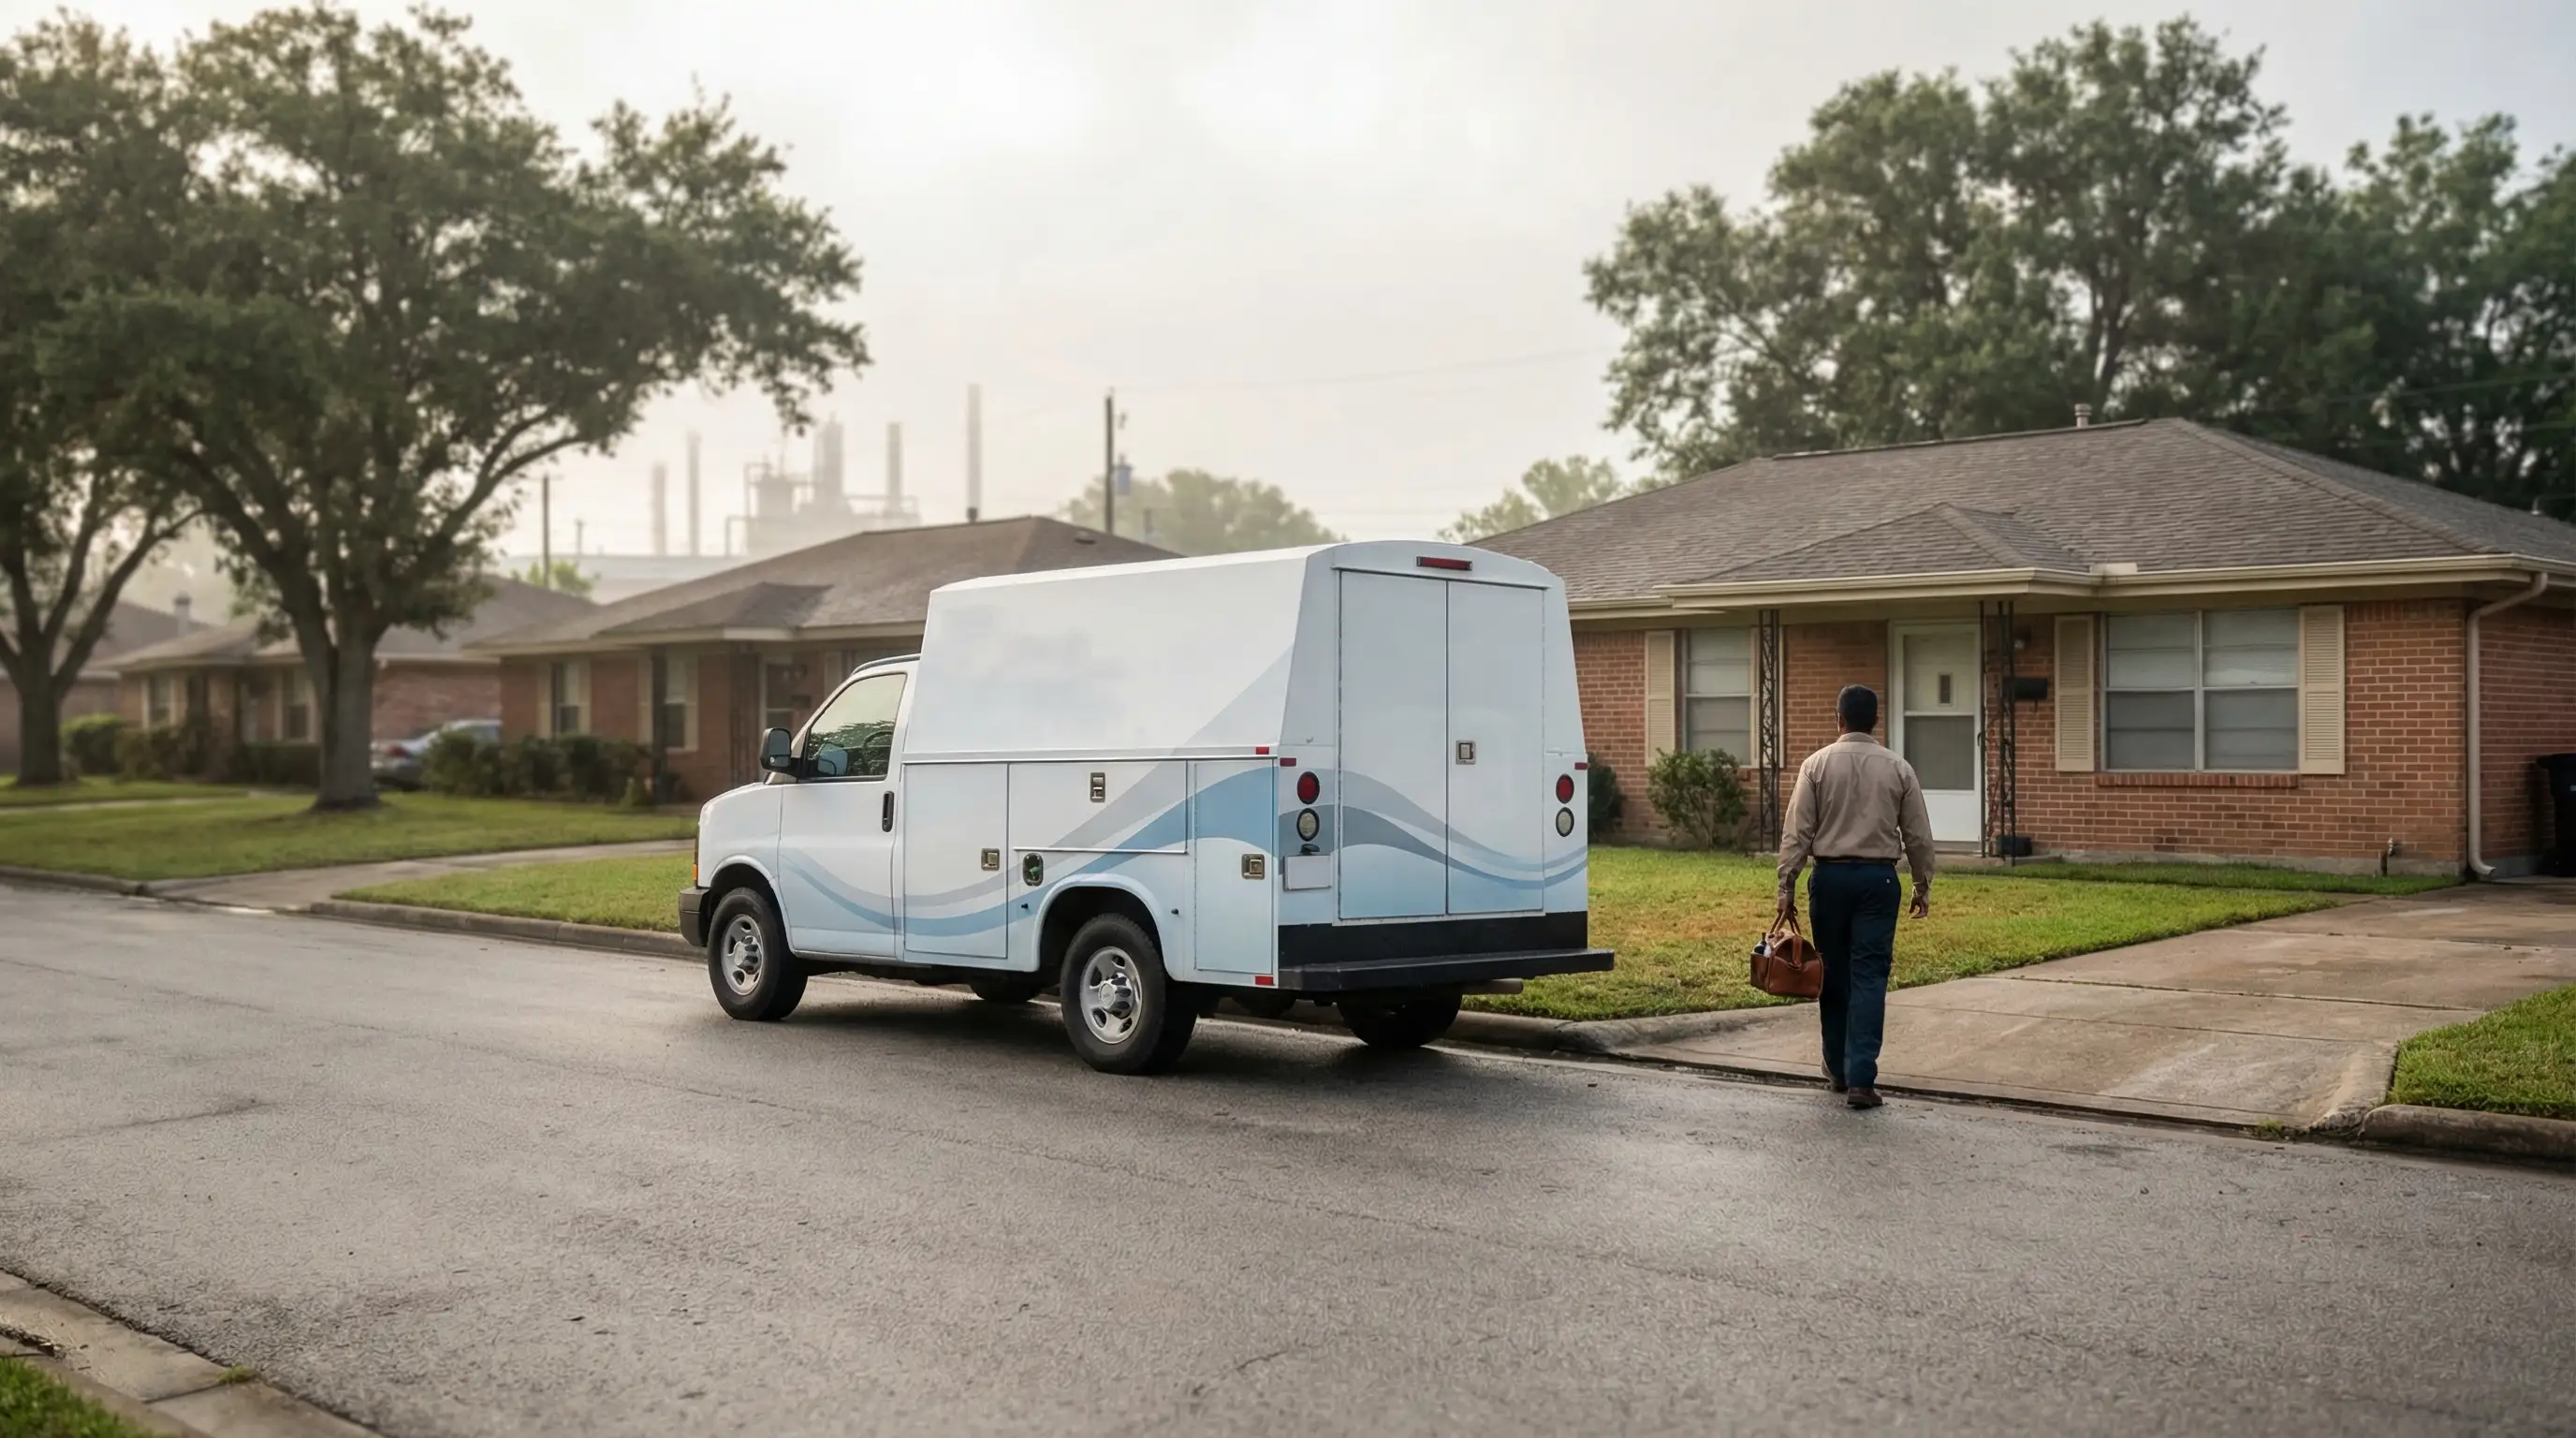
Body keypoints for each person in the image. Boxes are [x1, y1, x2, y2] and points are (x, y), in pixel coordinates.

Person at [1774, 683, 1936, 1109]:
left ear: (1838, 718)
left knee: (1831, 973)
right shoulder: (1899, 769)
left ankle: (1836, 1068)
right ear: (1875, 721)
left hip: (1829, 879)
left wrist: (1786, 884)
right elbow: (1917, 834)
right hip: (1878, 882)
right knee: (1869, 976)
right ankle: (1863, 1078)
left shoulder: (1816, 766)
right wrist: (1922, 883)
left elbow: (1797, 833)